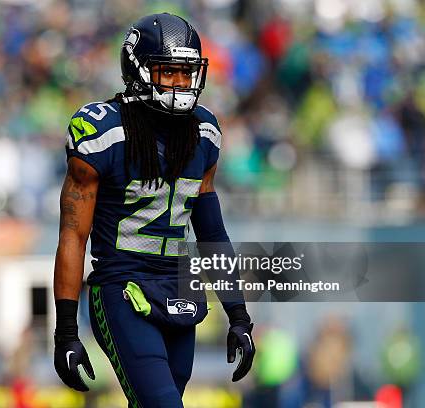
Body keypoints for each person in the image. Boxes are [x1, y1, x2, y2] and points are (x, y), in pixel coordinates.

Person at [53, 13, 255, 407]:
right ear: (139, 69)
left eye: (187, 73)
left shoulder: (203, 133)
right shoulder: (104, 132)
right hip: (122, 289)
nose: (181, 84)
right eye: (168, 72)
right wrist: (65, 330)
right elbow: (73, 235)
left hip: (180, 288)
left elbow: (212, 234)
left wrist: (239, 315)